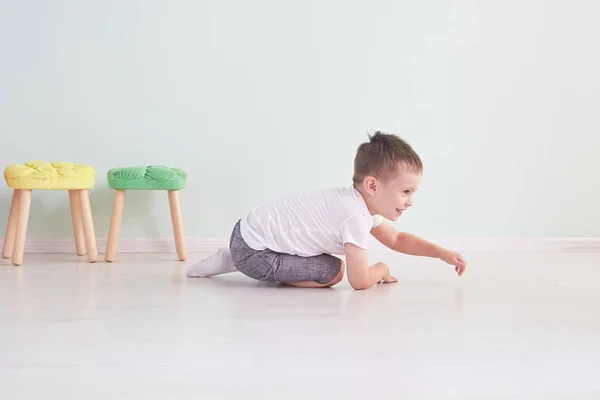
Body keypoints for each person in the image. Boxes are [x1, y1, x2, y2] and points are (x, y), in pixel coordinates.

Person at [188, 131, 466, 289]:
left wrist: (441, 253)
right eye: (405, 192)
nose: (410, 201)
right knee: (333, 272)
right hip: (254, 250)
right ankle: (243, 263)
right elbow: (359, 281)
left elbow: (396, 239)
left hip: (246, 231)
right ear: (373, 185)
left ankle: (235, 256)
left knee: (324, 261)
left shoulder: (355, 201)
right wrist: (380, 268)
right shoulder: (356, 216)